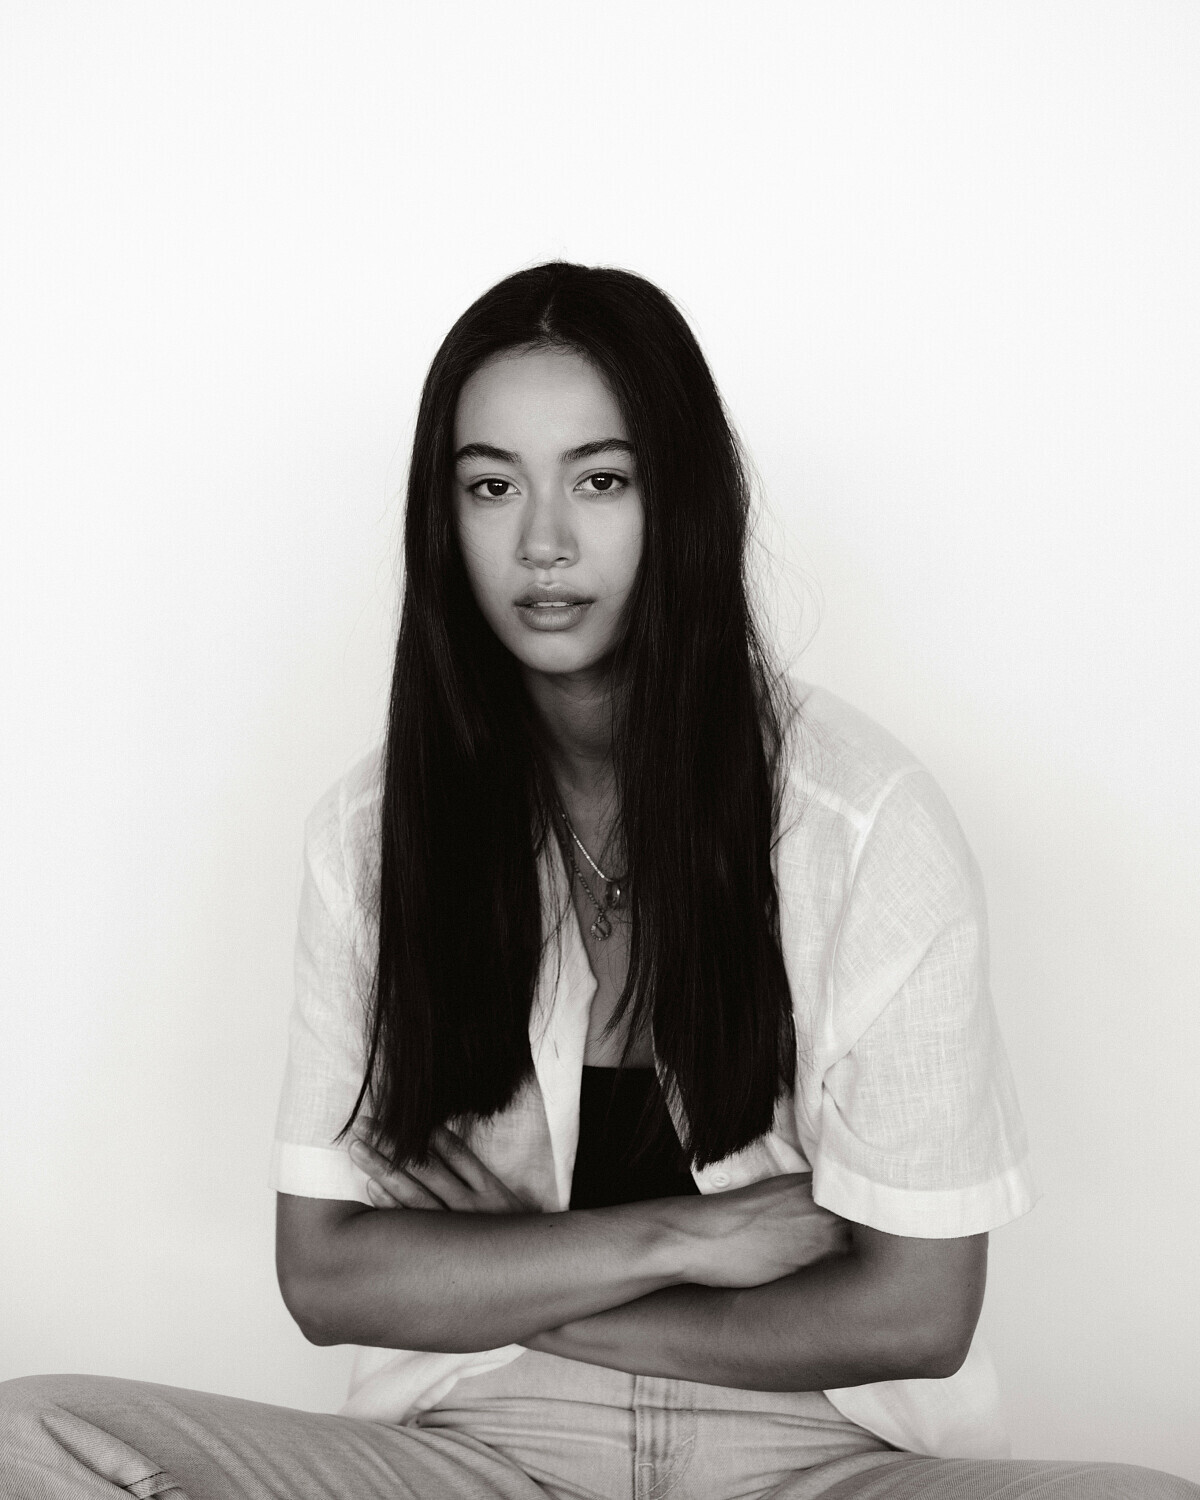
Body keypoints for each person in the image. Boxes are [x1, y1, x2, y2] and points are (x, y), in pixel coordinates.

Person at [1, 262, 1194, 1500]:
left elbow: (915, 1313)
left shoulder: (862, 827)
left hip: (816, 1457)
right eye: (491, 485)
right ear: (445, 519)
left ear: (680, 500)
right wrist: (687, 1236)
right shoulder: (372, 836)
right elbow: (326, 1278)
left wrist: (502, 1269)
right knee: (26, 1437)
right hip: (483, 1450)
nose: (544, 544)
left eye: (601, 480)